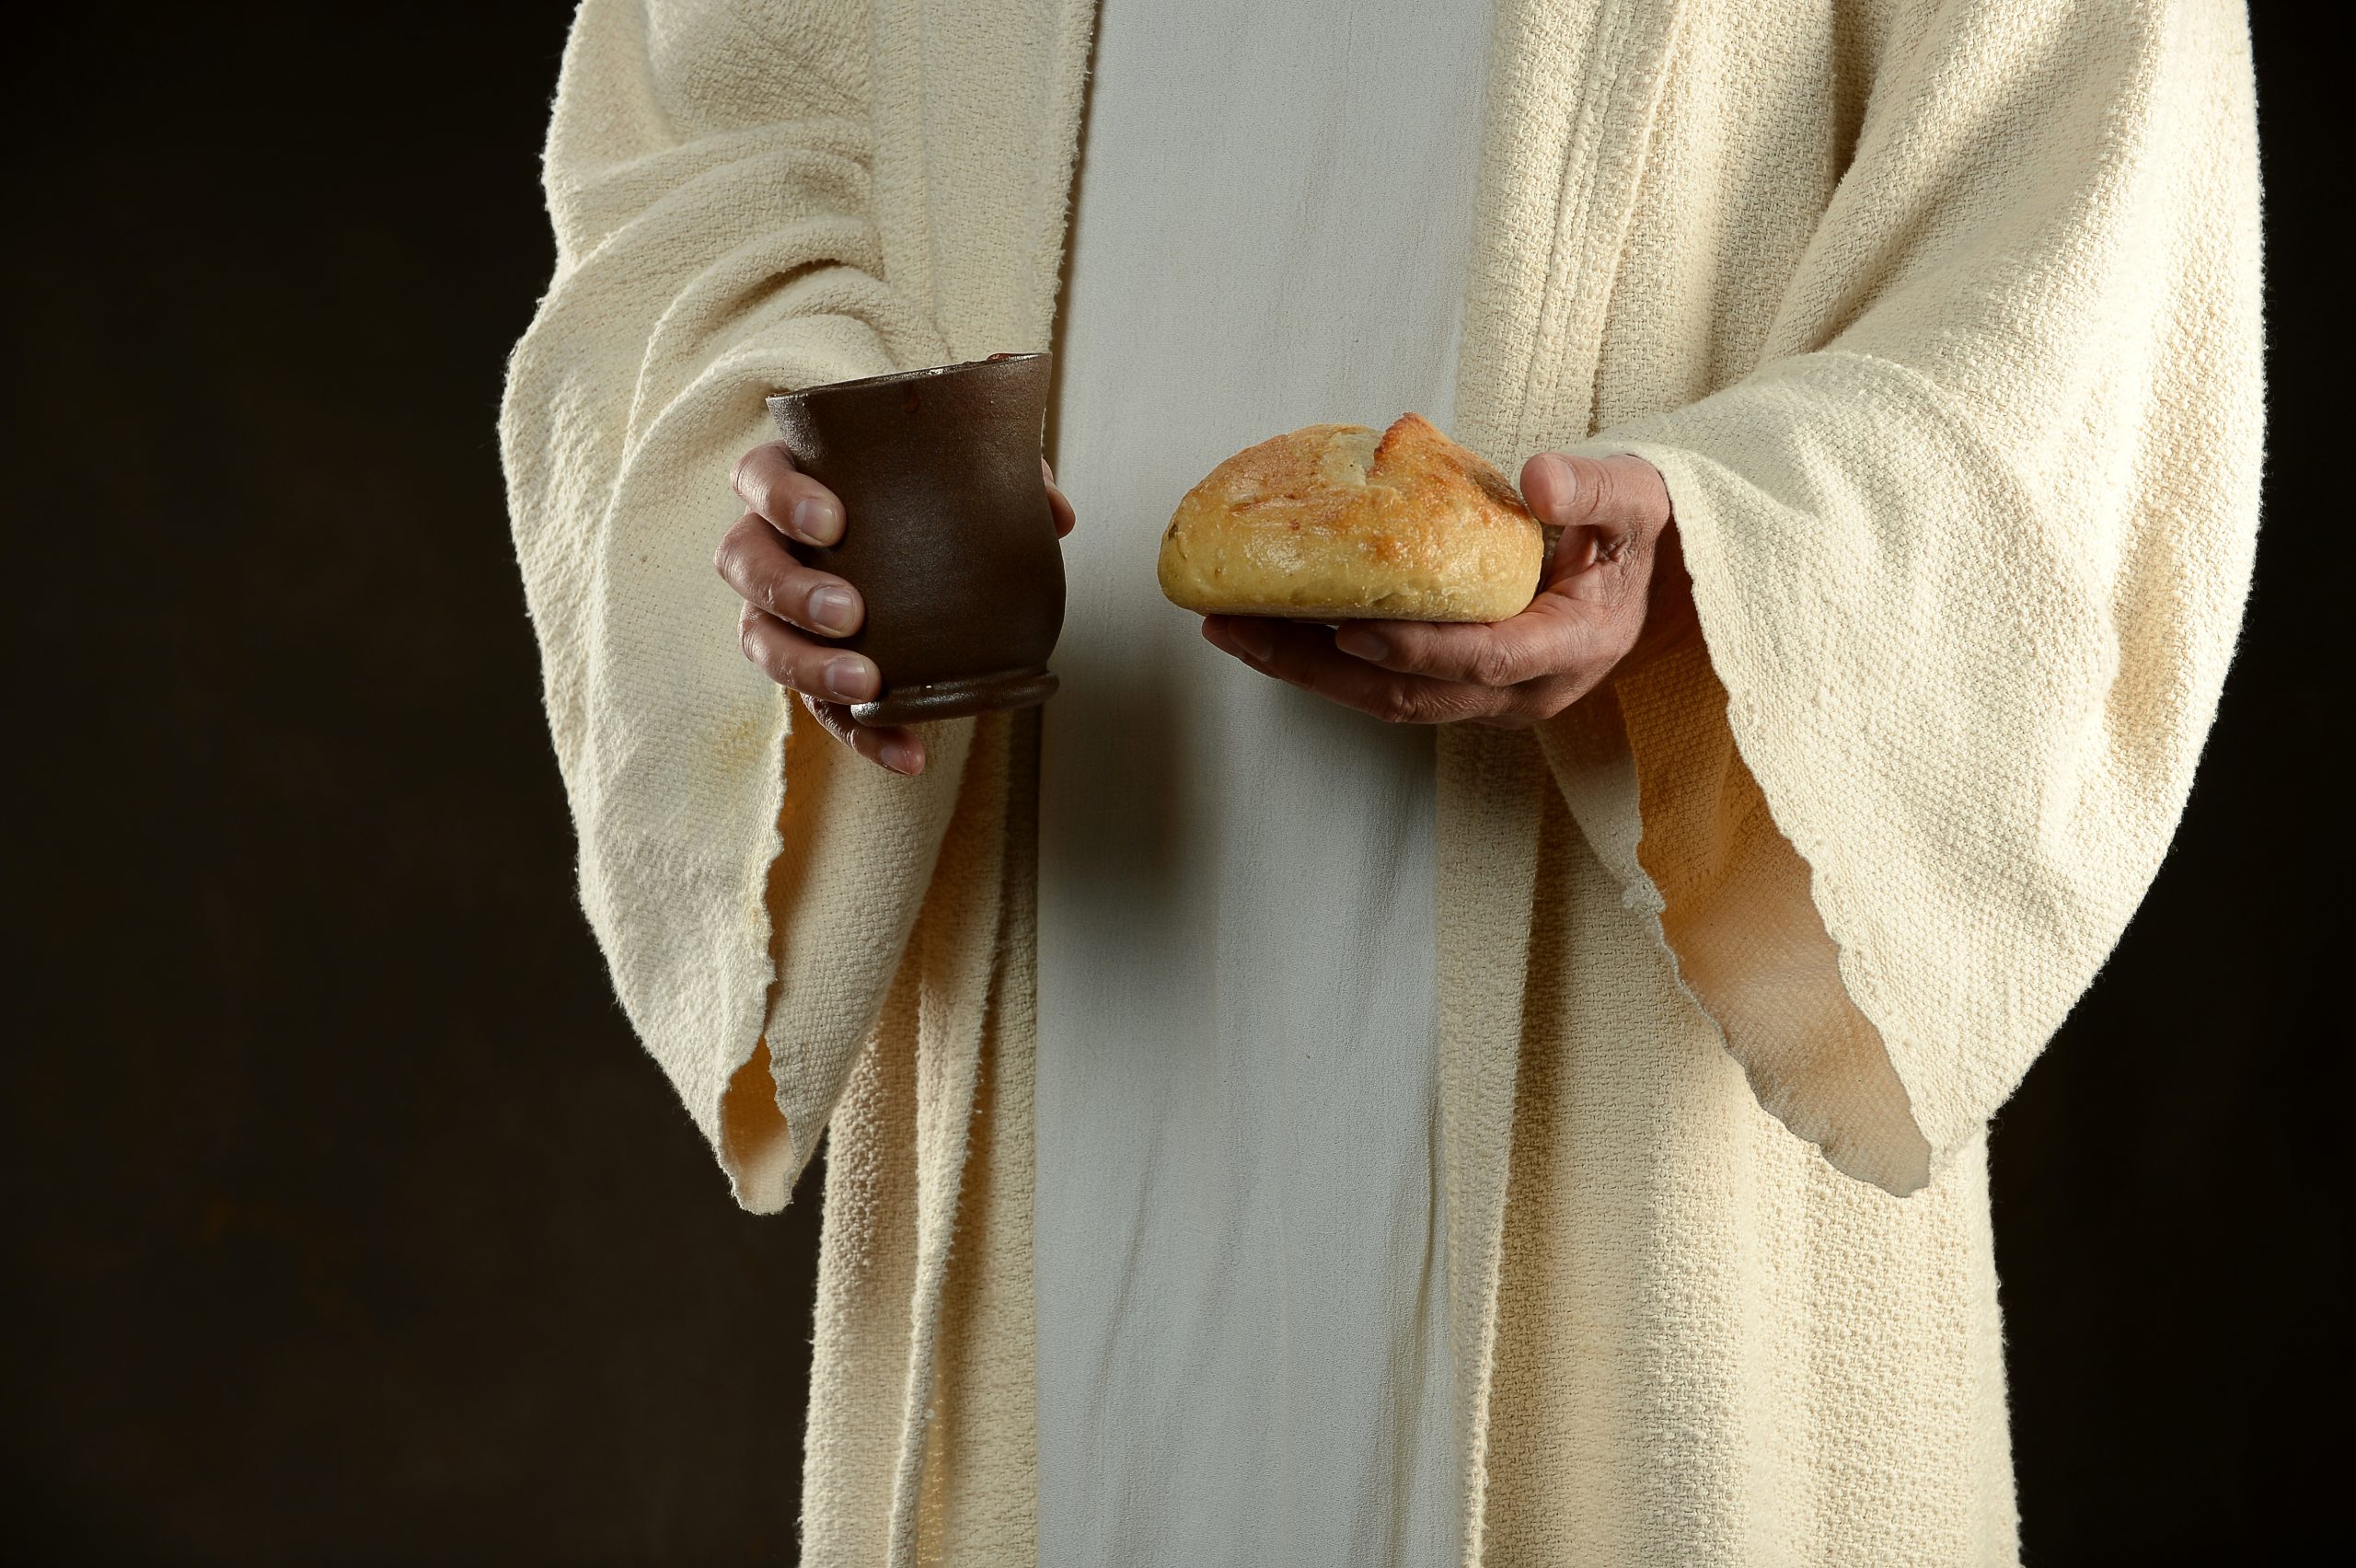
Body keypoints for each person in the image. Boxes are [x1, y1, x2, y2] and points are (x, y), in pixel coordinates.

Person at [500, 1, 2263, 1562]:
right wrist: (805, 462)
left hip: (1620, 966)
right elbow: (705, 163)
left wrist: (1724, 558)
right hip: (1065, 884)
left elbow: (2077, 230)